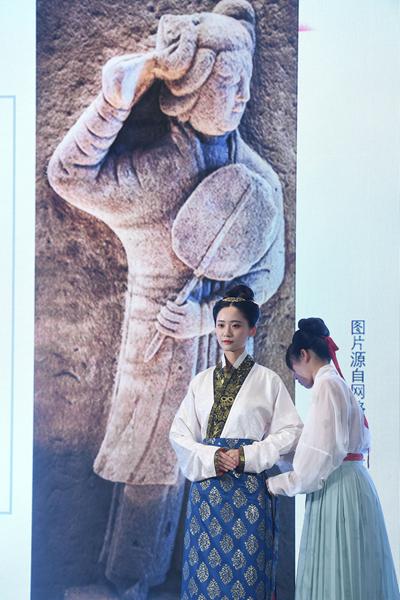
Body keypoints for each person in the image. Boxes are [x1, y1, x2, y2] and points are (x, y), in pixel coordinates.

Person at [47, 2, 286, 597]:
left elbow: (267, 273)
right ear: (190, 92)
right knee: (152, 473)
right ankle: (130, 580)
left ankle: (211, 580)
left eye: (246, 81)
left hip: (222, 350)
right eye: (227, 83)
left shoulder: (259, 178)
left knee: (222, 466)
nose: (242, 96)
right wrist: (113, 102)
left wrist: (208, 317)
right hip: (158, 351)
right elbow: (69, 174)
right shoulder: (155, 174)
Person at [170, 285, 303, 600]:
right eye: (220, 325)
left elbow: (292, 431)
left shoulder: (268, 381)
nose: (226, 333)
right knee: (203, 579)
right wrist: (212, 456)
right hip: (208, 493)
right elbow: (179, 434)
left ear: (252, 329)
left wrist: (248, 455)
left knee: (247, 578)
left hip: (248, 494)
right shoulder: (201, 382)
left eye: (236, 325)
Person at [267, 318, 400, 600]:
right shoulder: (335, 382)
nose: (296, 378)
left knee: (337, 571)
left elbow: (320, 455)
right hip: (351, 482)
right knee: (354, 571)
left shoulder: (327, 385)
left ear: (304, 355)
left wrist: (280, 483)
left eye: (294, 370)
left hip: (337, 486)